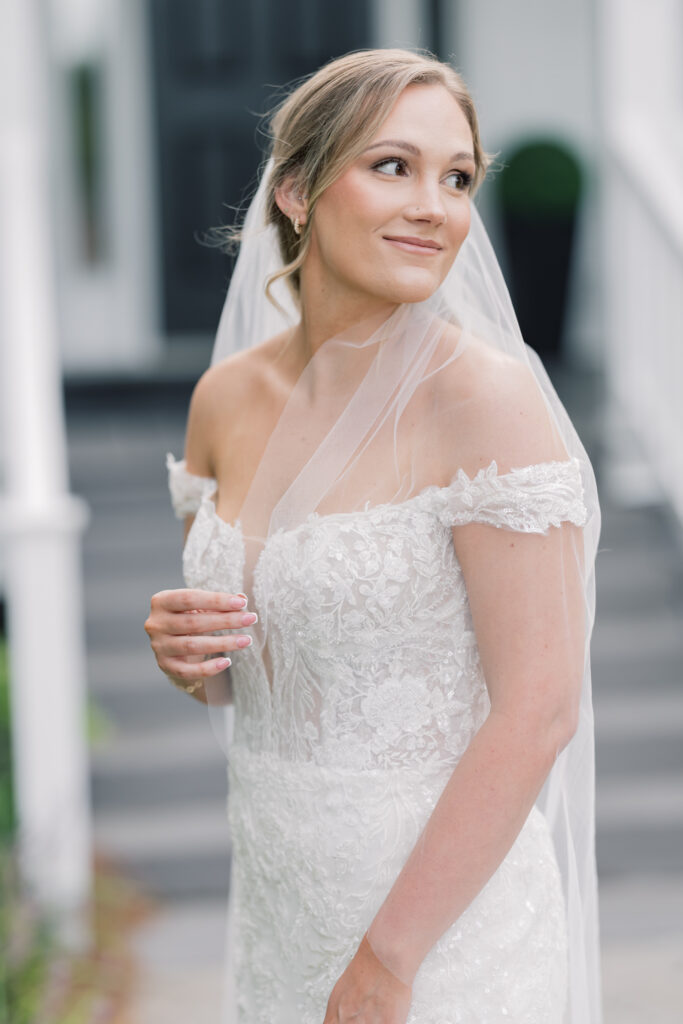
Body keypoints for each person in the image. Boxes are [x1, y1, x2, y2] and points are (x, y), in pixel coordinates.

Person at [144, 48, 602, 1024]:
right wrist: (189, 656)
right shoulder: (222, 400)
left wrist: (389, 962)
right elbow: (248, 675)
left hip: (438, 936)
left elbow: (539, 709)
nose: (433, 205)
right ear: (298, 190)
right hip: (279, 913)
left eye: (457, 177)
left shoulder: (482, 397)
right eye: (392, 165)